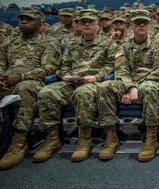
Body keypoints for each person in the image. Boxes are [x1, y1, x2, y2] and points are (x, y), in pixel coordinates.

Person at [37, 9, 119, 162]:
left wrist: (96, 76)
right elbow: (64, 65)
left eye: (90, 21)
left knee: (82, 94)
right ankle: (52, 140)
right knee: (46, 93)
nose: (87, 24)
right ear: (78, 25)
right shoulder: (72, 44)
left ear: (98, 24)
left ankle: (84, 140)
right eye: (83, 22)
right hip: (71, 82)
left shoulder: (108, 43)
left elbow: (111, 65)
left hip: (94, 82)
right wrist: (65, 75)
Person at [96, 9, 159, 161]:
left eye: (145, 22)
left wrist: (137, 88)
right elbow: (120, 69)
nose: (141, 25)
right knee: (104, 87)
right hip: (128, 83)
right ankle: (111, 138)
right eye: (137, 23)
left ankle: (151, 138)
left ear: (149, 25)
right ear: (131, 26)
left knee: (149, 89)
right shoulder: (124, 46)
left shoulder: (158, 45)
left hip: (149, 82)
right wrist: (131, 87)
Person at [0, 9, 61, 170]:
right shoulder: (8, 44)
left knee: (24, 89)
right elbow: (1, 66)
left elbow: (49, 68)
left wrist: (20, 77)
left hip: (34, 82)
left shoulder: (48, 43)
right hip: (8, 82)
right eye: (22, 19)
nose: (23, 22)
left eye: (29, 19)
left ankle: (19, 143)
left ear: (40, 24)